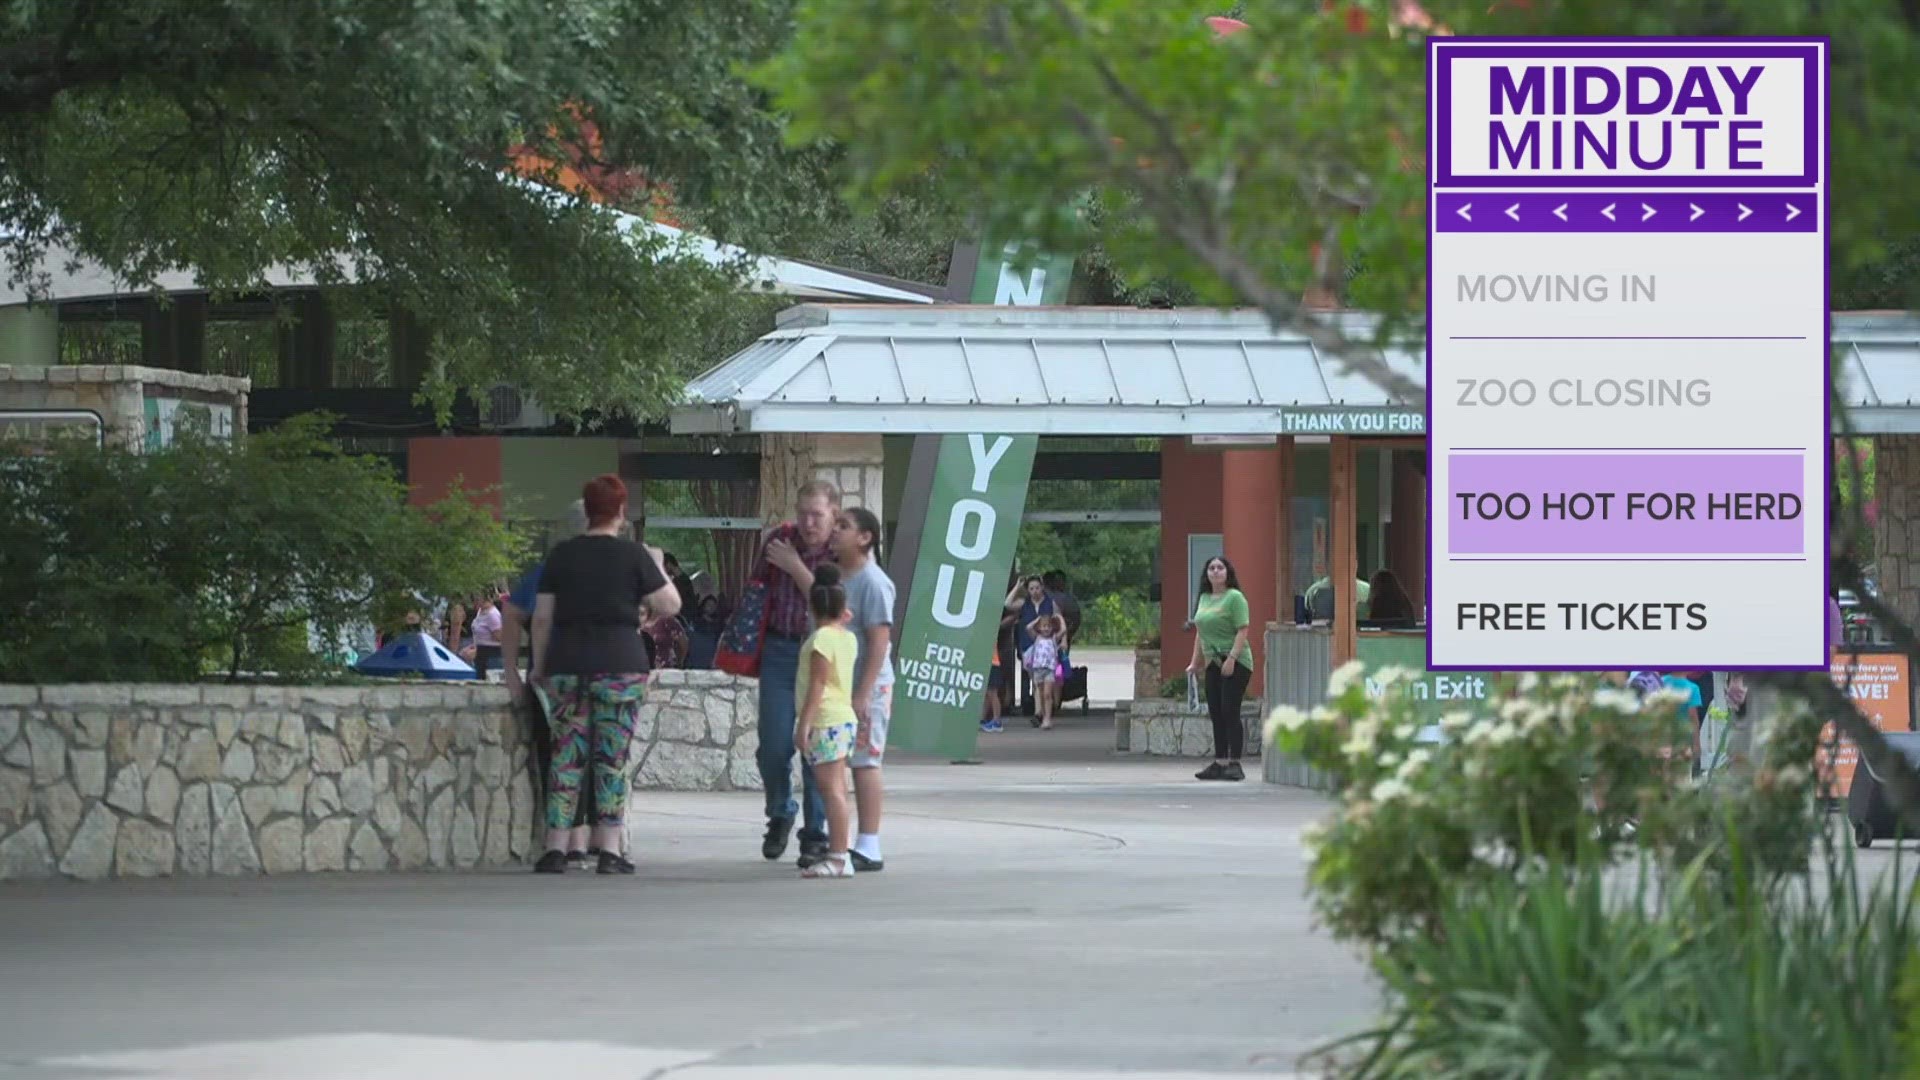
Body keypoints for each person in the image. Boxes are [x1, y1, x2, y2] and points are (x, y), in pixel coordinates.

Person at [529, 474, 680, 875]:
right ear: (620, 511)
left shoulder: (561, 556)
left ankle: (557, 847)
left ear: (588, 507)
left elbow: (542, 619)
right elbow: (671, 603)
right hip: (620, 665)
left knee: (566, 755)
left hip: (567, 665)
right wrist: (657, 565)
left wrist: (540, 667)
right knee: (611, 757)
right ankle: (610, 849)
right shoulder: (633, 556)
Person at [757, 480, 841, 869]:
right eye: (803, 512)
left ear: (834, 514)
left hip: (821, 653)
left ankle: (815, 834)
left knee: (815, 746)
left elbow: (830, 605)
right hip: (779, 648)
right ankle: (780, 811)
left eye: (817, 515)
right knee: (773, 745)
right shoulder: (779, 539)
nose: (808, 522)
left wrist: (794, 567)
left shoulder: (841, 551)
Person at [833, 506, 895, 873]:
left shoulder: (873, 581)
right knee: (839, 761)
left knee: (865, 761)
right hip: (839, 686)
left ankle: (869, 843)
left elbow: (879, 641)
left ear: (865, 537)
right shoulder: (836, 577)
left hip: (866, 687)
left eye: (844, 526)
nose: (835, 531)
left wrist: (862, 693)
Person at [794, 564, 859, 879]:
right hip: (844, 719)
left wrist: (803, 724)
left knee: (830, 790)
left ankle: (838, 855)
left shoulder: (820, 641)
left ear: (812, 606)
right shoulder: (847, 639)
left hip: (826, 721)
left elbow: (817, 686)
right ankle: (840, 851)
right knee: (838, 789)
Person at [1187, 556, 1254, 781]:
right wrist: (1195, 662)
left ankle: (1235, 762)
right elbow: (1200, 632)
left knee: (1229, 709)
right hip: (1212, 661)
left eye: (1220, 568)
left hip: (1235, 660)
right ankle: (1220, 761)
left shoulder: (1235, 598)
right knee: (1215, 711)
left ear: (1228, 573)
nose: (1215, 571)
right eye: (1211, 568)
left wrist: (1232, 658)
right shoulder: (1205, 598)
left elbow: (1242, 630)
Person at [1004, 576, 1057, 718]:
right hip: (1028, 645)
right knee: (1035, 679)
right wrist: (1017, 586)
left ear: (1042, 587)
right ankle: (1040, 711)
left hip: (1045, 647)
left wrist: (1060, 640)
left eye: (1037, 588)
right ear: (1028, 590)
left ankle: (1039, 712)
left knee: (1040, 680)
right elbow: (1008, 603)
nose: (1035, 591)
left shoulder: (1050, 603)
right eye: (1031, 588)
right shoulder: (1024, 603)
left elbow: (1058, 620)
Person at [1023, 614, 1064, 730]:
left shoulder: (1054, 639)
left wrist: (1059, 619)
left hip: (1049, 670)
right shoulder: (1037, 638)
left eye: (1048, 626)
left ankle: (1048, 719)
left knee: (1047, 694)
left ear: (1052, 628)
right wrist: (1037, 620)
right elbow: (1028, 628)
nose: (1046, 628)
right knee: (1040, 694)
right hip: (1038, 669)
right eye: (1044, 626)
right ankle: (1043, 715)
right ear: (1039, 628)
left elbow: (1064, 630)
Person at [467, 592, 504, 673]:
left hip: (492, 656)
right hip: (480, 654)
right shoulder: (480, 611)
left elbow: (499, 637)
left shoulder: (493, 615)